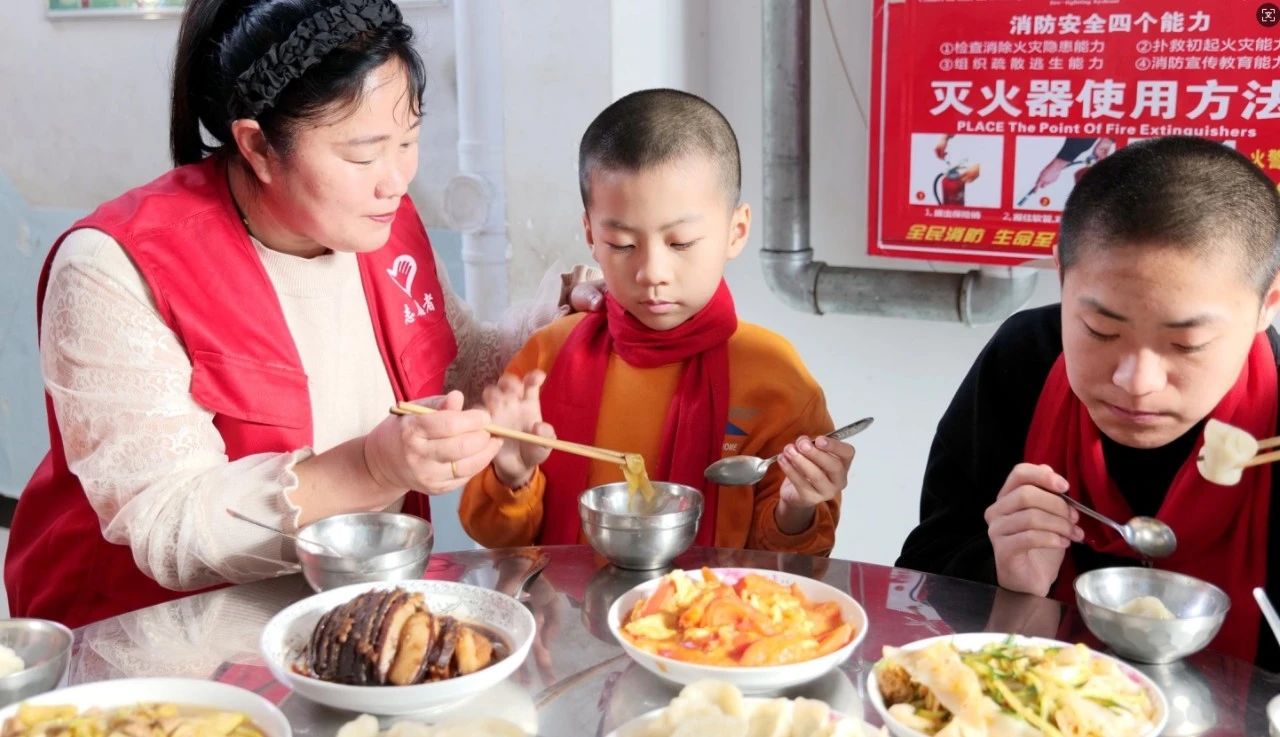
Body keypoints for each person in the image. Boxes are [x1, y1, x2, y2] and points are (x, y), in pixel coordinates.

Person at [6, 0, 598, 628]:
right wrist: (372, 467)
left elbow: (455, 365)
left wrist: (558, 319)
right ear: (258, 146)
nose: (395, 180)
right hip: (150, 642)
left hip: (341, 616)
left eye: (409, 140)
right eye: (364, 155)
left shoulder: (378, 226)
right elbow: (169, 524)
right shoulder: (115, 267)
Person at [898, 136, 1280, 668]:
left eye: (1186, 344)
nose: (1137, 381)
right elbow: (922, 571)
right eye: (1101, 330)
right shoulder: (1025, 361)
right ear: (1061, 275)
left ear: (1268, 304)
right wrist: (1002, 571)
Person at [458, 89, 855, 554]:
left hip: (712, 622)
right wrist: (511, 473)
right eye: (623, 245)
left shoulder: (773, 374)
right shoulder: (546, 358)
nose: (652, 274)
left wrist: (796, 507)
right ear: (590, 234)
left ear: (736, 231)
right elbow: (492, 537)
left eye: (681, 242)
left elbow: (791, 563)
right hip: (562, 620)